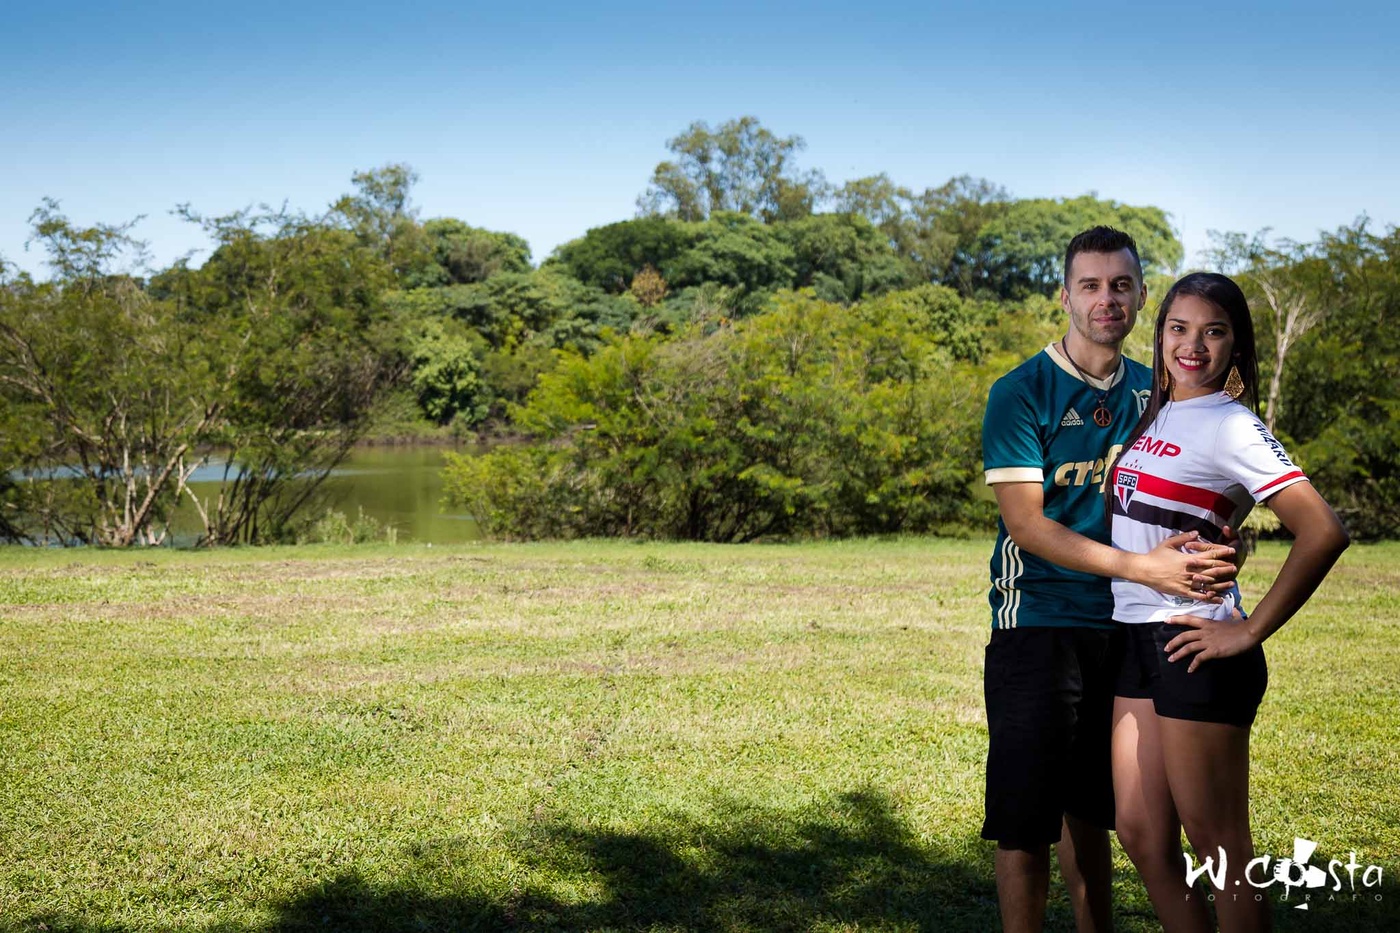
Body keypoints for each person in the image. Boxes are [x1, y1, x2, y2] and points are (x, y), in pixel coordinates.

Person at [981, 227, 1240, 933]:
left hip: (1133, 624)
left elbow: (1211, 483)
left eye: (1121, 285)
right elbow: (1027, 525)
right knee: (1027, 819)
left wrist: (1221, 544)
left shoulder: (1162, 391)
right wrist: (1142, 566)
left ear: (1141, 296)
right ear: (1064, 295)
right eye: (1090, 285)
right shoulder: (1020, 392)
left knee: (1096, 809)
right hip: (1039, 621)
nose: (1107, 299)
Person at [1107, 272, 1349, 933]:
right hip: (1135, 635)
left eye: (1213, 331)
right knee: (1141, 832)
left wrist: (1248, 632)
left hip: (1196, 641)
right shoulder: (1159, 411)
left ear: (1236, 346)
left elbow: (1323, 530)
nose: (1192, 345)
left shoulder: (1231, 424)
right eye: (1178, 328)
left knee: (1221, 851)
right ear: (1160, 335)